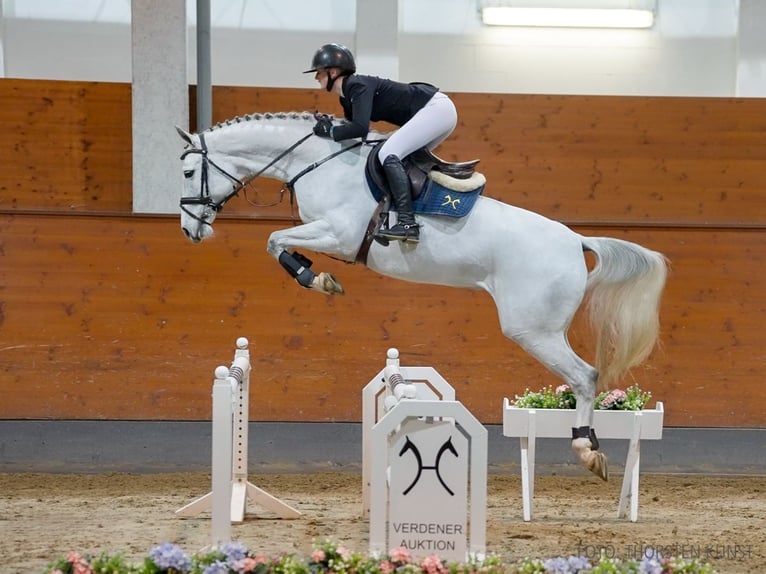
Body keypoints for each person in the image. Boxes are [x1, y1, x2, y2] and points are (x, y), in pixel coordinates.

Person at [304, 43, 458, 243]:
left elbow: (360, 128)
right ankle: (393, 217)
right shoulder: (347, 97)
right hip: (434, 112)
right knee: (396, 158)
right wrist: (330, 125)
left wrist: (331, 131)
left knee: (388, 153)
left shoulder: (356, 85)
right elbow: (357, 134)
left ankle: (407, 223)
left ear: (333, 72)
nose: (316, 78)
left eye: (319, 73)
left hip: (436, 109)